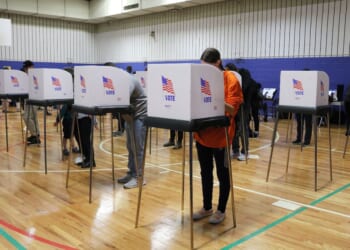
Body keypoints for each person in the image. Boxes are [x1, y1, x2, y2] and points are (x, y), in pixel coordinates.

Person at [193, 48, 243, 224]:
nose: (205, 71)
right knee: (205, 173)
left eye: (209, 67)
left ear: (218, 62)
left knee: (223, 174)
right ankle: (207, 207)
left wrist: (213, 99)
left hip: (222, 136)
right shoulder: (201, 78)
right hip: (202, 135)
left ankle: (221, 210)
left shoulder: (230, 79)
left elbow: (232, 109)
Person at [117, 70, 147, 189]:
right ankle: (131, 173)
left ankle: (139, 177)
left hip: (140, 116)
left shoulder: (129, 81)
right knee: (130, 146)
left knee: (137, 148)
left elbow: (121, 100)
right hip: (131, 116)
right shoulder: (121, 81)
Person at [21, 60, 41, 145]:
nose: (25, 69)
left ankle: (35, 134)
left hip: (33, 98)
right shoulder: (27, 76)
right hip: (28, 98)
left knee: (27, 117)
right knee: (33, 118)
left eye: (26, 67)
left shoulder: (33, 76)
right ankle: (36, 135)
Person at [293, 69, 312, 146]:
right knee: (299, 123)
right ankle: (299, 139)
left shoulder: (311, 84)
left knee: (308, 124)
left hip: (308, 106)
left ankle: (307, 141)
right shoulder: (298, 83)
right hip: (299, 105)